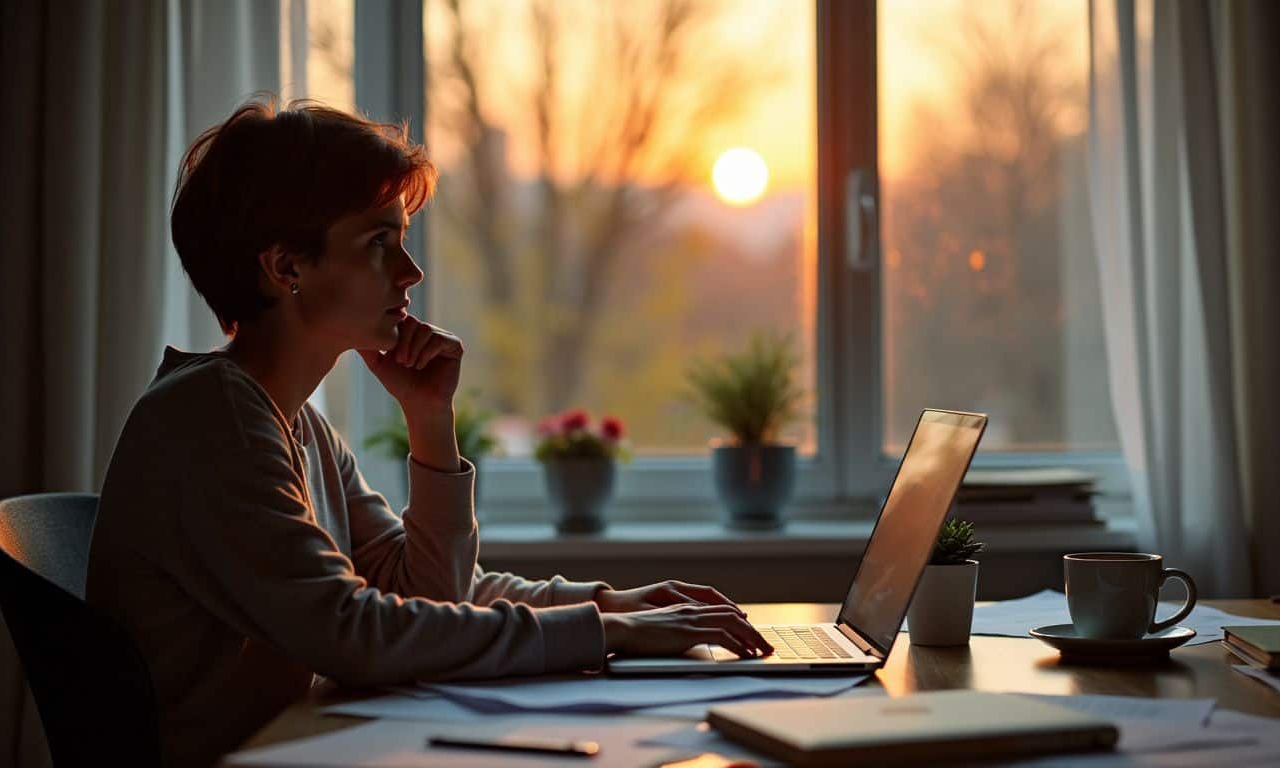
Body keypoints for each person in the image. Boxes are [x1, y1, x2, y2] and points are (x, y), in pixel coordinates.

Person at [86, 97, 772, 768]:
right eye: (379, 242)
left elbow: (430, 596)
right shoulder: (214, 420)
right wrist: (606, 631)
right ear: (286, 267)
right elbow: (355, 633)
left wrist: (431, 422)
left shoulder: (295, 426)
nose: (411, 273)